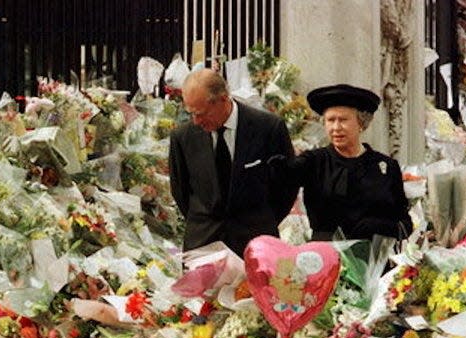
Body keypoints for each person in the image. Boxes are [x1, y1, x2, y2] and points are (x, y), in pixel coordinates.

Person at [168, 69, 296, 257]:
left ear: (223, 98)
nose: (196, 121)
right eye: (191, 113)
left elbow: (286, 186)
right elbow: (181, 190)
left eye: (201, 113)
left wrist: (261, 221)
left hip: (256, 245)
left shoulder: (268, 128)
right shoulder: (183, 137)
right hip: (203, 246)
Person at [273, 84, 411, 241]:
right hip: (326, 258)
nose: (336, 127)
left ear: (361, 123)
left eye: (343, 120)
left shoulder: (387, 167)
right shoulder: (313, 161)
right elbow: (280, 178)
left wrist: (379, 226)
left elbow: (405, 225)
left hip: (375, 259)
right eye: (330, 120)